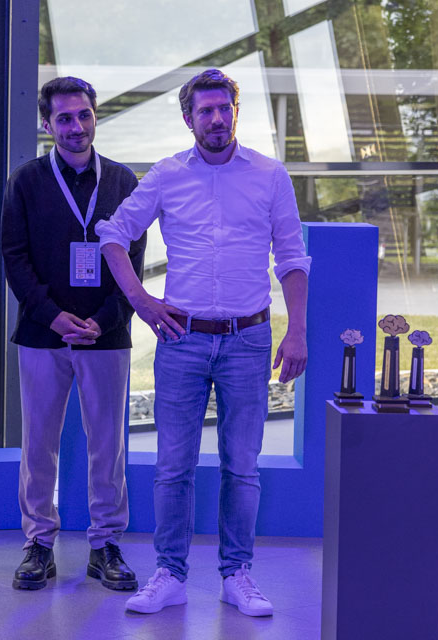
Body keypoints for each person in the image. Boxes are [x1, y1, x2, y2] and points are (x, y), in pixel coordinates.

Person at [96, 68, 310, 618]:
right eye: (205, 110)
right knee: (173, 466)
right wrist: (142, 302)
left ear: (236, 112)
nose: (216, 118)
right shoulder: (167, 175)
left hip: (249, 339)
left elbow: (292, 256)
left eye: (224, 108)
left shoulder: (269, 175)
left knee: (242, 466)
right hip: (181, 339)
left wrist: (297, 330)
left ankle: (236, 575)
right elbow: (113, 235)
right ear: (189, 118)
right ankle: (169, 575)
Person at [1, 76, 146, 592]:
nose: (76, 126)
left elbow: (134, 262)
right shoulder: (25, 181)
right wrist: (53, 317)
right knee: (39, 443)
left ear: (94, 117)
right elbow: (14, 257)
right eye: (64, 118)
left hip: (106, 334)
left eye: (83, 115)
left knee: (108, 445)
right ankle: (39, 544)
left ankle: (105, 545)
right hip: (43, 334)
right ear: (47, 124)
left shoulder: (123, 181)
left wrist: (104, 320)